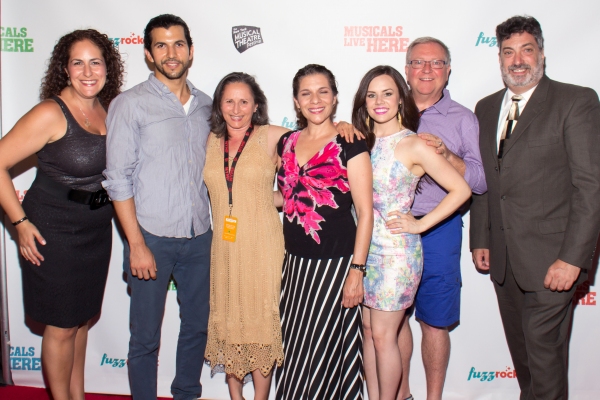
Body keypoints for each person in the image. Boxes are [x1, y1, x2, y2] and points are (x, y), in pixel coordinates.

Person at [470, 16, 600, 399]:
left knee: (543, 358)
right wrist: (482, 238)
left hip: (554, 261)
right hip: (504, 260)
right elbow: (485, 181)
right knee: (525, 360)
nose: (518, 60)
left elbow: (590, 187)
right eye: (509, 52)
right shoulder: (486, 107)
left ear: (541, 53)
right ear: (499, 58)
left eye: (527, 50)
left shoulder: (575, 101)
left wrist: (574, 259)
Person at [0, 30, 123, 400]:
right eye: (77, 62)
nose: (88, 71)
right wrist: (20, 224)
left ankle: (77, 395)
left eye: (95, 62)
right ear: (64, 69)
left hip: (96, 230)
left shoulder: (106, 107)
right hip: (53, 230)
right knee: (60, 326)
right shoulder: (50, 112)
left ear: (107, 67)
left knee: (80, 321)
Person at [102, 14, 212, 400]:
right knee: (145, 336)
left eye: (178, 43)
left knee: (197, 327)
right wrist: (135, 244)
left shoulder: (206, 106)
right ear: (148, 54)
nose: (171, 52)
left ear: (191, 50)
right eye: (161, 45)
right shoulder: (129, 105)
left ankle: (187, 394)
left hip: (201, 239)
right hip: (150, 237)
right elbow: (118, 179)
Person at [351, 65, 471, 400]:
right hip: (364, 251)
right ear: (363, 101)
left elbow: (461, 190)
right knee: (369, 331)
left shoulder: (413, 145)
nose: (379, 101)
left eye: (387, 93)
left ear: (400, 99)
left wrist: (419, 224)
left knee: (384, 337)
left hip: (396, 255)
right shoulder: (362, 143)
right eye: (372, 94)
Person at [274, 64, 373, 400]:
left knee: (331, 354)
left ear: (334, 98)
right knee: (296, 349)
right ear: (296, 101)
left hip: (335, 266)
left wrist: (356, 272)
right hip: (295, 267)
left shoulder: (351, 144)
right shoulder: (286, 142)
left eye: (323, 92)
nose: (315, 100)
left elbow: (365, 212)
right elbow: (287, 196)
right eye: (306, 93)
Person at [398, 37, 487, 400]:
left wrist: (447, 155)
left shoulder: (463, 118)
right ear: (406, 70)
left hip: (439, 228)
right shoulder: (385, 109)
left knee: (434, 322)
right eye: (418, 62)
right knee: (391, 320)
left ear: (448, 70)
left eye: (436, 63)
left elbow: (480, 182)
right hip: (390, 229)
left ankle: (433, 398)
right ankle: (400, 394)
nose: (426, 70)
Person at [203, 72, 287, 400]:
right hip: (223, 246)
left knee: (258, 321)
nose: (236, 109)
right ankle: (235, 397)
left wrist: (341, 128)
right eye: (229, 101)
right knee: (228, 317)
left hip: (262, 244)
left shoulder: (271, 137)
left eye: (244, 101)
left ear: (256, 106)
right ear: (219, 105)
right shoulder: (210, 140)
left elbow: (317, 140)